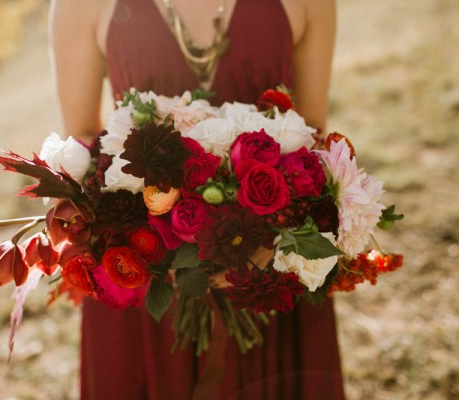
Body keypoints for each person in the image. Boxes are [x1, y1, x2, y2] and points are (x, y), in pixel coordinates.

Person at [50, 0, 344, 399]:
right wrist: (153, 240)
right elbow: (83, 137)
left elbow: (313, 133)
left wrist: (274, 241)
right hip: (148, 273)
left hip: (268, 278)